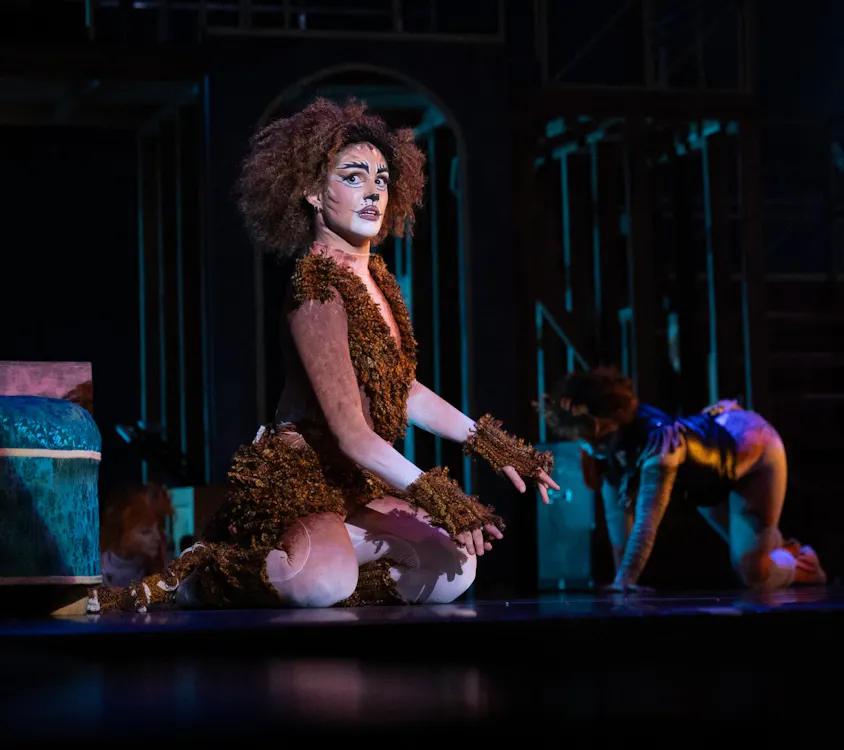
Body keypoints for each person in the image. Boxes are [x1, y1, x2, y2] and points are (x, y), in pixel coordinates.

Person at [90, 98, 557, 613]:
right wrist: (442, 496)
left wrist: (492, 445)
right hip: (302, 480)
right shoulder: (316, 286)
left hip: (355, 480)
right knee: (323, 585)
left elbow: (399, 390)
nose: (374, 192)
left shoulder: (376, 277)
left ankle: (331, 562)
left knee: (454, 569)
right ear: (313, 192)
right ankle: (204, 573)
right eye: (354, 178)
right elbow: (351, 432)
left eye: (380, 179)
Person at [540, 367, 826, 592]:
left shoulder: (659, 446)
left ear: (603, 425)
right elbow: (618, 516)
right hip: (707, 480)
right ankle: (784, 550)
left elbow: (646, 523)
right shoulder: (606, 450)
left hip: (753, 450)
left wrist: (626, 580)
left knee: (753, 574)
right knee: (753, 552)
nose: (582, 446)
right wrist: (620, 580)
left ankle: (806, 564)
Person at [99, 483, 173, 587]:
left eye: (158, 528)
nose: (157, 537)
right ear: (120, 533)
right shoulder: (99, 569)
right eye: (145, 532)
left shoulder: (154, 567)